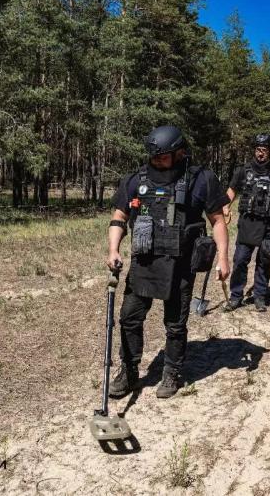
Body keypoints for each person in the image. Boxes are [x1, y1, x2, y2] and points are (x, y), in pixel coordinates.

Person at [106, 126, 231, 399]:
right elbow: (119, 216)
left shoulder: (201, 179)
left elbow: (218, 221)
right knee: (129, 318)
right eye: (153, 157)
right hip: (144, 263)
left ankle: (171, 372)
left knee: (175, 324)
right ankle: (128, 371)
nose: (156, 161)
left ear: (180, 152)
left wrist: (223, 257)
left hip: (180, 265)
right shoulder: (135, 180)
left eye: (162, 157)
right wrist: (113, 249)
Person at [222, 134, 270, 313]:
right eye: (258, 149)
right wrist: (225, 207)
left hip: (269, 225)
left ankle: (260, 297)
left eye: (264, 150)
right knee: (239, 260)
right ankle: (236, 297)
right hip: (248, 222)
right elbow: (232, 190)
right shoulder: (244, 169)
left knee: (264, 261)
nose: (260, 153)